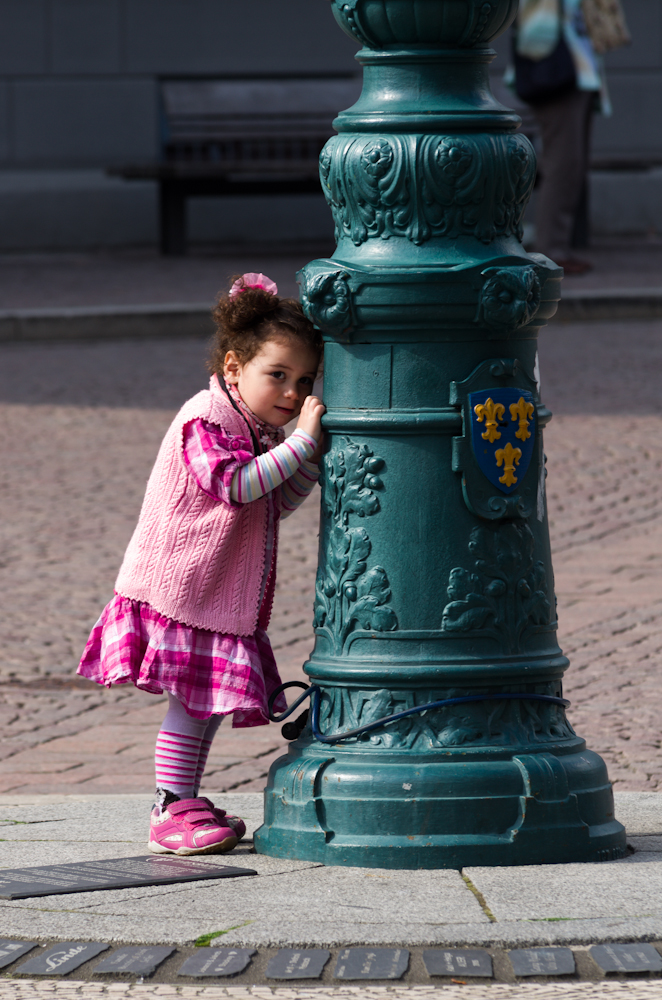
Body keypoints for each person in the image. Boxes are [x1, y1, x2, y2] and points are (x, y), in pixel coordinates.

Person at [77, 272, 325, 855]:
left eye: (304, 381)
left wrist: (305, 458)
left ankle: (184, 796)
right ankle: (168, 808)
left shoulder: (257, 428)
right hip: (184, 587)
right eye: (278, 375)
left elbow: (278, 499)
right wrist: (303, 444)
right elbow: (237, 486)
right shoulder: (206, 418)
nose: (292, 393)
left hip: (216, 593)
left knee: (205, 705)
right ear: (235, 367)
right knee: (192, 703)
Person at [512, 0, 628, 274]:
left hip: (577, 73)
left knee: (569, 165)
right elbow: (534, 29)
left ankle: (554, 248)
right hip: (558, 74)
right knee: (563, 165)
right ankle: (551, 250)